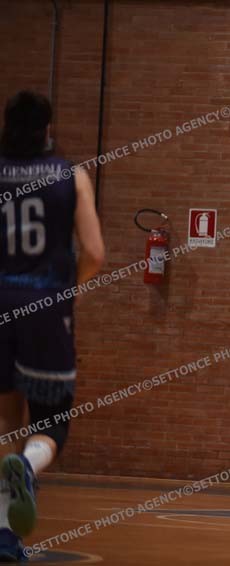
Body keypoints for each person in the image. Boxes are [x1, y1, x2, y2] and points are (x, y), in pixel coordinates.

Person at [0, 91, 105, 560]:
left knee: (5, 417)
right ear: (47, 129)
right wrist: (68, 290)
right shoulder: (69, 174)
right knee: (51, 421)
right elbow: (95, 253)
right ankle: (28, 465)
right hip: (44, 303)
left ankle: (4, 533)